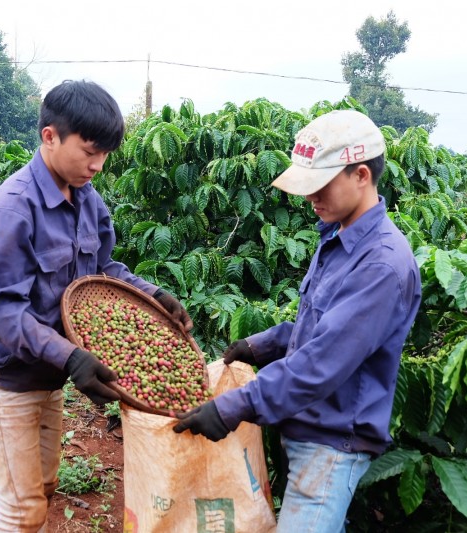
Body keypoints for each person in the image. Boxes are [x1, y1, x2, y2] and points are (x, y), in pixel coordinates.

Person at [0, 79, 192, 533]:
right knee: (20, 508)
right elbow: (1, 312)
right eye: (89, 151)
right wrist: (71, 356)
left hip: (48, 375)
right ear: (50, 136)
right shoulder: (10, 210)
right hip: (6, 378)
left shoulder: (88, 200)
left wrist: (153, 295)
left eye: (105, 153)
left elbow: (102, 270)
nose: (98, 165)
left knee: (42, 492)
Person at [173, 109, 421, 532]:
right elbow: (323, 328)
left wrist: (234, 406)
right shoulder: (338, 237)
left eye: (320, 185)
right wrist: (265, 344)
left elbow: (322, 363)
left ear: (361, 175)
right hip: (309, 428)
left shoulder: (381, 265)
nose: (310, 198)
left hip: (331, 444)